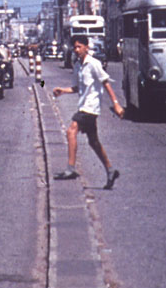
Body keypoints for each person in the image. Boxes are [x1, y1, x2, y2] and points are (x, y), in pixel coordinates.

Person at [52, 35, 125, 189]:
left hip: (90, 108)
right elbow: (77, 88)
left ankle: (70, 169)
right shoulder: (78, 66)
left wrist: (116, 104)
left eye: (79, 47)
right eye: (75, 47)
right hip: (83, 106)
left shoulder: (94, 64)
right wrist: (62, 91)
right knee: (94, 142)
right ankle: (110, 170)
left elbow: (106, 83)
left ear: (86, 47)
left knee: (71, 131)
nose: (77, 50)